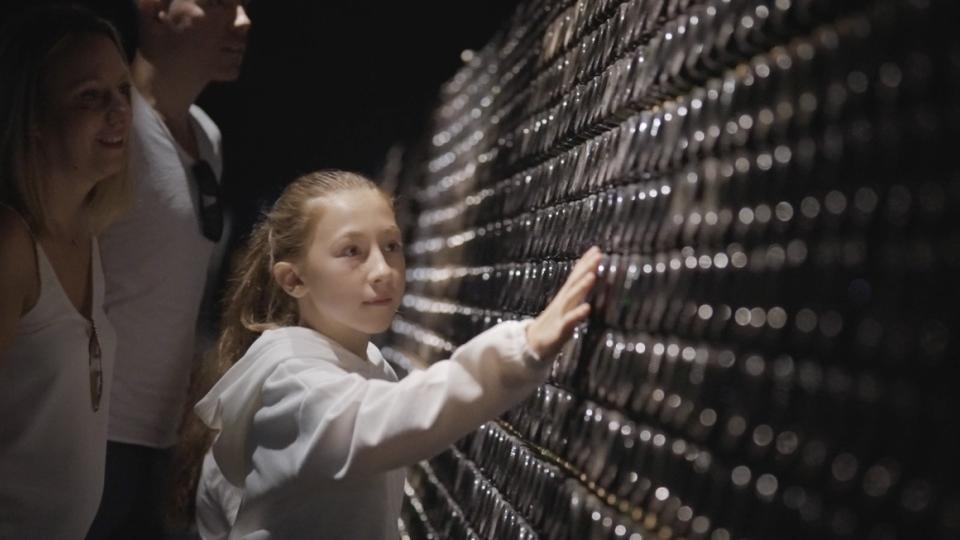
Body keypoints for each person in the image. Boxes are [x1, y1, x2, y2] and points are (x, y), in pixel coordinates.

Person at [190, 170, 602, 539]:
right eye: (352, 251)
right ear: (294, 279)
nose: (383, 269)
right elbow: (384, 419)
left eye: (391, 246)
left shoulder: (360, 360)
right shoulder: (291, 378)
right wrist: (520, 350)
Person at [87, 0, 251, 537]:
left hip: (160, 438)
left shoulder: (208, 138)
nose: (243, 21)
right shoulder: (110, 127)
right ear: (154, 7)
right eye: (221, 4)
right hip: (86, 433)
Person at [0, 5, 133, 538]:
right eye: (90, 95)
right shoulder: (12, 242)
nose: (119, 110)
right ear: (33, 116)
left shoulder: (86, 234)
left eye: (123, 90)